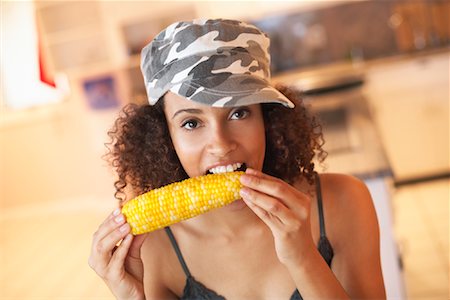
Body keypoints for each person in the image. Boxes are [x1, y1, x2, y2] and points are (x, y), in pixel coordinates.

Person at [88, 19, 386, 299]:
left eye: (238, 112)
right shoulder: (155, 247)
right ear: (165, 139)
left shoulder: (343, 202)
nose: (220, 144)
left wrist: (303, 258)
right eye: (191, 123)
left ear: (268, 121)